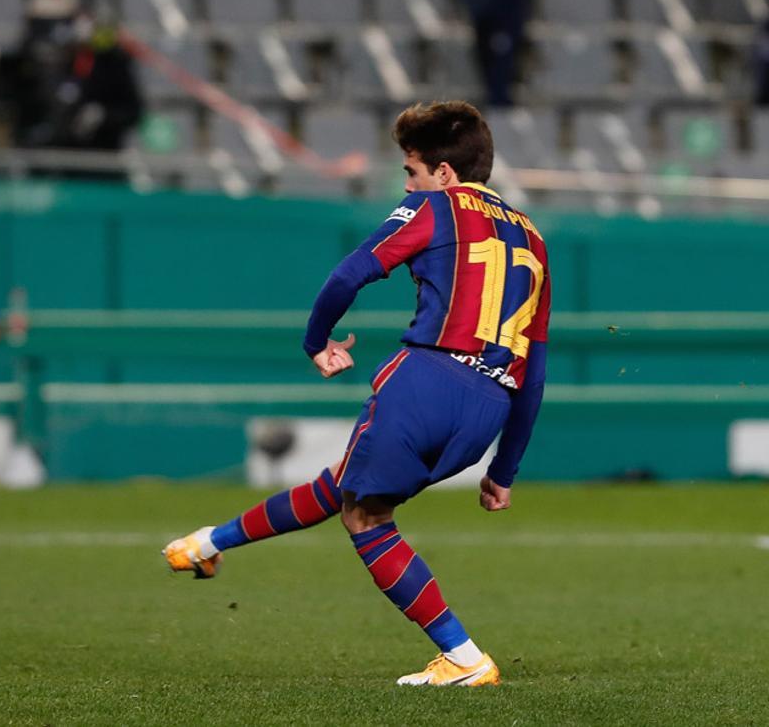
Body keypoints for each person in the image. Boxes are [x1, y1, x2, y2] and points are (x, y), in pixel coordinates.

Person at [163, 101, 552, 687]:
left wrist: (316, 342)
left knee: (366, 518)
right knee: (347, 484)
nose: (406, 182)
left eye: (411, 170)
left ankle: (464, 658)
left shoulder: (435, 206)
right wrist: (506, 468)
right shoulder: (534, 238)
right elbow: (537, 367)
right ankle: (207, 543)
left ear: (444, 174)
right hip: (489, 406)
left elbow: (350, 273)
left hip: (429, 381)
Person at [0, 0, 144, 176]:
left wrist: (103, 116)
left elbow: (133, 110)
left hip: (97, 165)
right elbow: (7, 98)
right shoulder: (34, 62)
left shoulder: (111, 63)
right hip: (45, 165)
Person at [462, 0, 541, 106]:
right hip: (487, 10)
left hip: (506, 8)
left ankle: (499, 100)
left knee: (502, 54)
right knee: (491, 55)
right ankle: (497, 99)